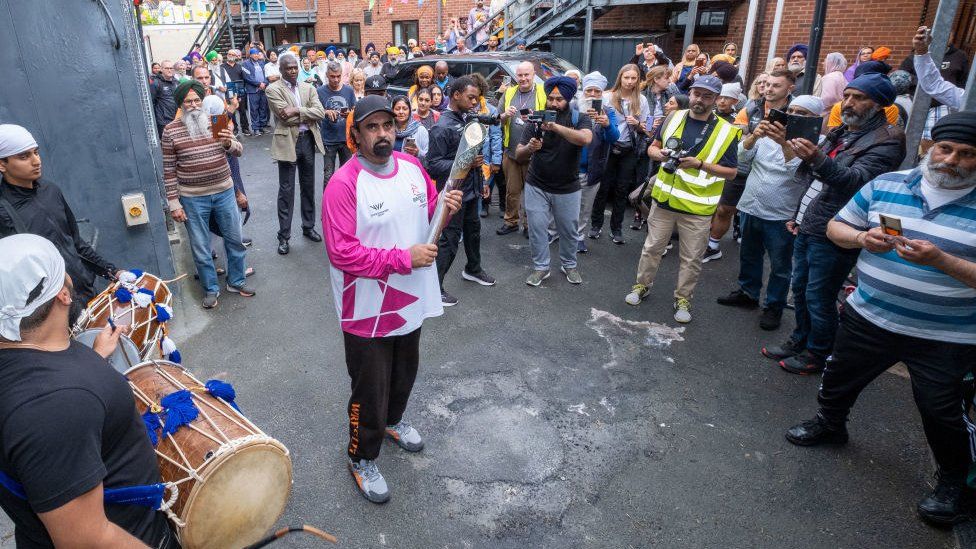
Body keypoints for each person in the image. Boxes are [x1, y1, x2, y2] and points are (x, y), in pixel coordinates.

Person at [785, 111, 976, 526]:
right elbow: (837, 228)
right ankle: (830, 425)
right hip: (869, 315)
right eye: (945, 149)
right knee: (838, 378)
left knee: (940, 410)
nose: (952, 160)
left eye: (967, 154)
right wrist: (861, 238)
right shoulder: (887, 185)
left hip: (946, 335)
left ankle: (952, 484)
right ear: (929, 148)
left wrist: (942, 260)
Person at [321, 95, 463, 504]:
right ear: (355, 137)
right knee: (370, 387)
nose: (383, 134)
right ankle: (361, 456)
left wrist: (447, 211)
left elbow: (430, 219)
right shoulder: (343, 184)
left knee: (404, 372)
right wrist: (404, 258)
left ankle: (394, 421)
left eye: (387, 125)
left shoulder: (414, 168)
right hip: (366, 308)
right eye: (372, 127)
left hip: (410, 298)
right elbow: (342, 252)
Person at [0, 234, 179, 548]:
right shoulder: (55, 407)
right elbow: (87, 540)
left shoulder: (29, 367)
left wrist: (95, 359)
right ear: (64, 294)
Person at [762, 73, 905, 373]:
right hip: (811, 221)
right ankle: (800, 339)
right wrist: (798, 214)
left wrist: (817, 158)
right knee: (800, 288)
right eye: (847, 96)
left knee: (819, 295)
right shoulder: (842, 131)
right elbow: (811, 179)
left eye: (859, 98)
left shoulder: (888, 140)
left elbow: (854, 182)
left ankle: (818, 353)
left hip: (838, 229)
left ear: (878, 104)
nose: (849, 103)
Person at [624, 75, 739, 323]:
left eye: (707, 96)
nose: (699, 99)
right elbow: (651, 148)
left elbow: (731, 172)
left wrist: (699, 164)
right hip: (664, 200)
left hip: (698, 207)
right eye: (697, 93)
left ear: (716, 100)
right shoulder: (673, 117)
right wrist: (662, 155)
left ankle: (683, 298)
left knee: (691, 258)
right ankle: (641, 286)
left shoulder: (727, 131)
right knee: (652, 248)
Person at [717, 95, 823, 330]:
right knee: (749, 254)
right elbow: (741, 158)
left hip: (781, 214)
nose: (794, 116)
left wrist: (784, 142)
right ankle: (748, 292)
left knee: (780, 265)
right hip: (751, 205)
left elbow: (796, 171)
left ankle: (773, 306)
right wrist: (754, 136)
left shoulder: (816, 143)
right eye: (792, 110)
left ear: (816, 119)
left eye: (802, 113)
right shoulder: (767, 136)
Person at [0, 125, 119, 304]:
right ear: (2, 164)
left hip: (86, 292)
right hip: (53, 310)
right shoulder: (3, 211)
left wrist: (113, 271)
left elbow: (76, 243)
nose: (36, 161)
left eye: (36, 152)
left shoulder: (51, 191)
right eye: (24, 156)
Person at [162, 80, 253, 308]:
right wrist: (174, 203)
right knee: (201, 247)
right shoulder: (170, 131)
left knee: (235, 240)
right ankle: (211, 289)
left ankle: (237, 281)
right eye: (188, 101)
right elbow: (169, 170)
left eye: (197, 100)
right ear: (180, 105)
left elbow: (238, 151)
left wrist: (227, 143)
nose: (193, 105)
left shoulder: (217, 121)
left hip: (223, 191)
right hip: (192, 198)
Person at [705, 70, 796, 262]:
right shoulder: (752, 107)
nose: (769, 88)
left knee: (772, 240)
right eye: (768, 84)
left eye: (776, 85)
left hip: (777, 173)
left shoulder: (796, 111)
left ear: (790, 89)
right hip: (744, 165)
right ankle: (713, 245)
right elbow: (737, 136)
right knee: (724, 208)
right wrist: (753, 136)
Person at [517, 76, 593, 286]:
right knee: (537, 228)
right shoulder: (536, 119)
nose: (553, 103)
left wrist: (555, 127)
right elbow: (519, 153)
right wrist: (529, 148)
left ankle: (569, 264)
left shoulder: (580, 118)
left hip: (568, 187)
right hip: (537, 184)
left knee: (569, 229)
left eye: (559, 99)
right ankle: (541, 268)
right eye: (551, 98)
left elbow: (585, 139)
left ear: (568, 99)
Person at [427, 76, 496, 306]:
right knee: (449, 240)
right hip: (453, 195)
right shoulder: (442, 126)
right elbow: (434, 166)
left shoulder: (467, 118)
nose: (475, 102)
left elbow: (474, 158)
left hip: (471, 191)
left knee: (474, 232)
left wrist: (482, 181)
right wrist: (467, 162)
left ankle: (473, 269)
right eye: (471, 97)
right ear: (456, 95)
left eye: (476, 98)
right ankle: (433, 288)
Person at [266, 53, 327, 256]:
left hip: (308, 140)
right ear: (281, 70)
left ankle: (308, 227)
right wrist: (305, 112)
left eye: (295, 67)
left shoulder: (308, 87)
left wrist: (297, 110)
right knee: (286, 191)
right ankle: (283, 236)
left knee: (308, 187)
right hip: (287, 142)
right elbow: (285, 117)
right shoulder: (272, 89)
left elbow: (320, 112)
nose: (292, 71)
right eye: (288, 68)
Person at [589, 64, 650, 245]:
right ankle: (596, 225)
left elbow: (645, 128)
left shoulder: (642, 100)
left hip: (629, 148)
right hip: (609, 146)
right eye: (626, 78)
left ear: (638, 80)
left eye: (633, 78)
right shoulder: (608, 97)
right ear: (620, 78)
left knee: (622, 189)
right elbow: (595, 120)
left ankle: (617, 228)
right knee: (603, 187)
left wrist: (637, 124)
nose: (630, 82)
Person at [496, 61, 547, 236]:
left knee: (532, 193)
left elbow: (550, 119)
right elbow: (498, 119)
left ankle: (528, 225)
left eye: (527, 75)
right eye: (520, 75)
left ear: (533, 75)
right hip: (511, 151)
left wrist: (536, 119)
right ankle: (510, 221)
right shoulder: (509, 92)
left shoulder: (543, 91)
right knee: (512, 191)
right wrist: (505, 115)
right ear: (515, 76)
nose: (523, 78)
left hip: (534, 151)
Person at [576, 72, 619, 254]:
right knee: (561, 203)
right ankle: (555, 232)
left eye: (597, 91)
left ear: (602, 94)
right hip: (569, 167)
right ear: (583, 92)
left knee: (585, 207)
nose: (592, 94)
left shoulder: (608, 112)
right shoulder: (574, 108)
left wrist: (607, 124)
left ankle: (578, 237)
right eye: (589, 91)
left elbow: (614, 137)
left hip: (592, 169)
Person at [317, 61, 357, 188]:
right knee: (328, 174)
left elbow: (355, 110)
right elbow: (314, 112)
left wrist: (350, 114)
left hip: (346, 138)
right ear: (327, 76)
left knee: (346, 174)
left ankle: (344, 200)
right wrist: (325, 112)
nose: (336, 79)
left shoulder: (349, 91)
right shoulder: (320, 91)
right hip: (328, 139)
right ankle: (328, 203)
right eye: (332, 76)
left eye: (338, 76)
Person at [469, 73, 503, 218]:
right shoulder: (463, 109)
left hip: (486, 159)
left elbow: (496, 136)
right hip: (467, 159)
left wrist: (496, 160)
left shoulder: (491, 110)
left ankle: (484, 206)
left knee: (485, 187)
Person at [222, 49, 251, 135]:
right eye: (229, 54)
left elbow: (245, 78)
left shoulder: (240, 66)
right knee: (232, 111)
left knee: (242, 111)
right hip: (229, 93)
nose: (231, 56)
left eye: (233, 54)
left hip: (240, 92)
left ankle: (245, 128)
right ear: (227, 55)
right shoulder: (222, 67)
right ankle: (235, 129)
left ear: (236, 56)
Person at [242, 48, 269, 134]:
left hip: (263, 89)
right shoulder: (245, 64)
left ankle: (262, 126)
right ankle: (256, 128)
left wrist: (264, 83)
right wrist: (258, 84)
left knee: (263, 108)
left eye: (257, 54)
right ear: (250, 55)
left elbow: (266, 75)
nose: (256, 55)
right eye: (254, 54)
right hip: (253, 90)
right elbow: (247, 77)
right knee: (254, 110)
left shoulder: (262, 63)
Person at [150, 59, 178, 136]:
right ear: (161, 69)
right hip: (163, 122)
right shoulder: (156, 83)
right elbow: (151, 102)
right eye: (167, 68)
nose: (169, 70)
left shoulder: (176, 82)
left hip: (176, 118)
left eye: (171, 68)